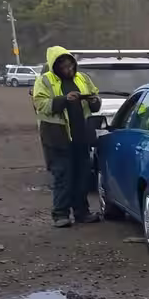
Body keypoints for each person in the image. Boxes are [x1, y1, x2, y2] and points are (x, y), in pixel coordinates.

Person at [32, 47, 102, 227]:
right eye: (63, 65)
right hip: (57, 137)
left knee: (82, 176)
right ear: (54, 66)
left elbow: (95, 101)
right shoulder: (44, 81)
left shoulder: (83, 78)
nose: (68, 68)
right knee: (63, 176)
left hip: (81, 136)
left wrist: (94, 101)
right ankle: (60, 214)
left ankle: (82, 212)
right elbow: (40, 104)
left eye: (70, 64)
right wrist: (64, 99)